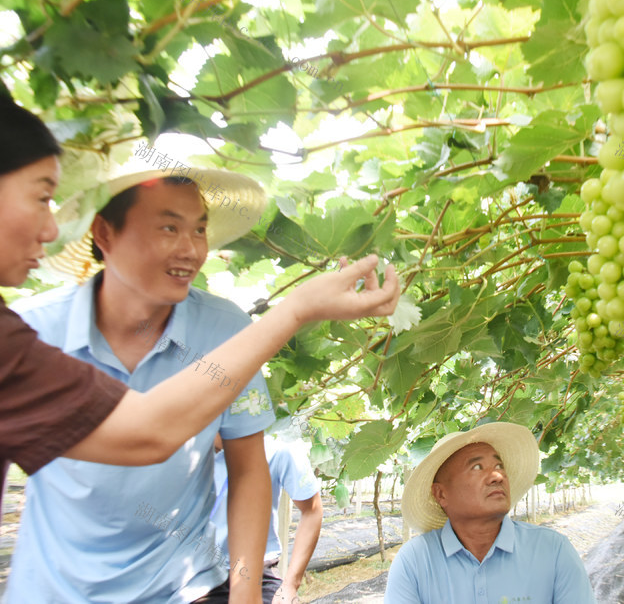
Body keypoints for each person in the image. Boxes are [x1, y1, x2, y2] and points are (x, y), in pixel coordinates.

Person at [0, 98, 399, 603]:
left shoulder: (226, 329)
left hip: (182, 588)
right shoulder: (31, 332)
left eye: (200, 229)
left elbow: (250, 468)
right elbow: (147, 431)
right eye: (169, 227)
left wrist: (247, 590)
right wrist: (295, 310)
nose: (191, 249)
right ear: (104, 233)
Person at [385, 422, 596, 604]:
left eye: (499, 465)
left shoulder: (554, 551)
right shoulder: (414, 562)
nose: (497, 475)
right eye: (477, 467)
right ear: (441, 494)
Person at [212, 434, 323, 604]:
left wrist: (290, 584)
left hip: (255, 573)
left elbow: (312, 509)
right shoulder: (179, 455)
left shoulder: (278, 452)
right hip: (197, 573)